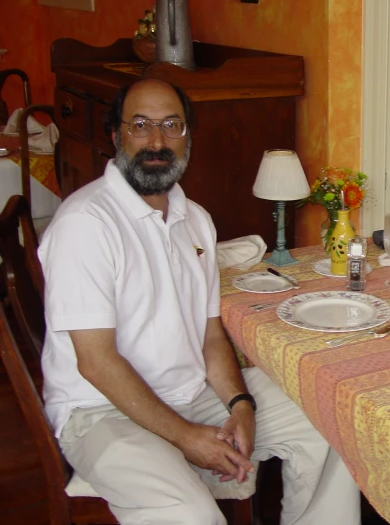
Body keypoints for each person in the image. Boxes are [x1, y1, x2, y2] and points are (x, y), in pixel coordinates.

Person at [38, 78, 361, 525]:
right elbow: (95, 362)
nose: (157, 140)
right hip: (101, 412)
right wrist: (187, 437)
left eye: (172, 125)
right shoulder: (86, 224)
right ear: (116, 135)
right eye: (141, 125)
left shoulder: (196, 220)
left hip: (191, 395)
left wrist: (241, 406)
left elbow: (210, 335)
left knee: (336, 421)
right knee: (190, 514)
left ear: (188, 135)